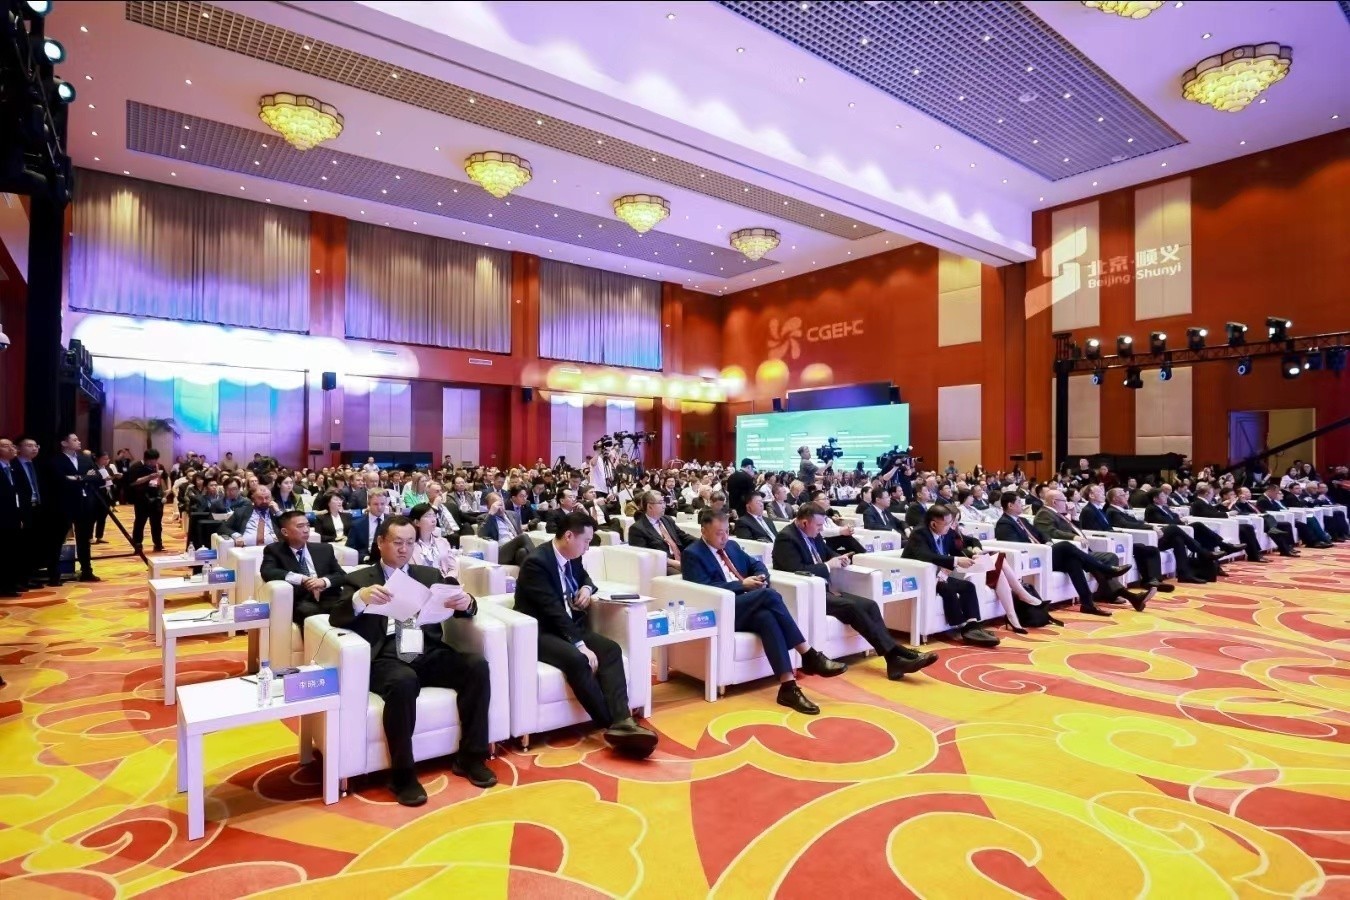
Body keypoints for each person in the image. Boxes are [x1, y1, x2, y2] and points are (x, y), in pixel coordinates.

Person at [333, 515, 496, 805]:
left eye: (410, 543)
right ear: (380, 542)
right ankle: (402, 775)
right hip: (385, 655)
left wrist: (467, 602)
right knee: (403, 681)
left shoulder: (428, 575)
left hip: (426, 649)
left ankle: (471, 757)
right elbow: (336, 616)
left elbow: (460, 607)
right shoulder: (360, 579)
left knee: (476, 666)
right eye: (397, 542)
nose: (404, 549)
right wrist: (360, 598)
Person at [512, 511, 658, 756]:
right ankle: (611, 725)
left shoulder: (572, 557)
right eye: (586, 541)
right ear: (569, 536)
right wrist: (580, 644)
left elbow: (585, 577)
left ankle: (623, 719)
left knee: (611, 650)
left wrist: (587, 588)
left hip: (569, 625)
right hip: (540, 631)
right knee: (578, 660)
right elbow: (552, 610)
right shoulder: (536, 563)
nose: (588, 548)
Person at [682, 509, 846, 714]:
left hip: (748, 605)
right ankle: (809, 654)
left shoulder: (731, 546)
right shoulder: (693, 554)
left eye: (726, 531)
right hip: (722, 610)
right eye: (718, 533)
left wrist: (760, 576)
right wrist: (742, 584)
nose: (724, 537)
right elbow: (702, 589)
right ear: (704, 531)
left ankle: (788, 687)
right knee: (769, 595)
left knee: (767, 618)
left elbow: (757, 564)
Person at [772, 505, 937, 679]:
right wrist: (828, 566)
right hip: (807, 594)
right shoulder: (786, 538)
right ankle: (897, 653)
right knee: (851, 607)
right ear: (805, 523)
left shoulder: (813, 534)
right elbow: (795, 570)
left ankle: (894, 659)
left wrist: (839, 558)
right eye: (819, 525)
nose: (821, 529)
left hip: (826, 589)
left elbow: (828, 553)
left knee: (870, 605)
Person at [994, 492, 1131, 616]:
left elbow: (1041, 534)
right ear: (1010, 505)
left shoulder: (1021, 520)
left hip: (1044, 553)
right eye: (1019, 502)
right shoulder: (1004, 524)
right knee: (1065, 545)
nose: (1022, 505)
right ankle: (1106, 569)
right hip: (1031, 558)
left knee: (1073, 561)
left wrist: (1047, 542)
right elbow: (1016, 545)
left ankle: (1087, 604)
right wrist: (1042, 547)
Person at [1034, 490, 1151, 610]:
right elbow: (1050, 532)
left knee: (1106, 559)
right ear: (1054, 502)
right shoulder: (1045, 514)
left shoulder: (1058, 514)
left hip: (1078, 550)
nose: (1067, 503)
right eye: (1064, 501)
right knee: (1101, 561)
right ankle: (1116, 589)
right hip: (1066, 552)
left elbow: (1077, 529)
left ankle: (1113, 593)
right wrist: (1073, 537)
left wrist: (1073, 516)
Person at [902, 506, 1001, 646]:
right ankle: (961, 626)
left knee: (968, 586)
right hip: (921, 577)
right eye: (948, 523)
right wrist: (956, 561)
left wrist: (971, 556)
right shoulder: (919, 534)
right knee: (948, 589)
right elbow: (926, 556)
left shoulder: (946, 532)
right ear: (933, 524)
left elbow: (956, 550)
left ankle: (972, 626)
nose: (951, 526)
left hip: (940, 574)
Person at [1079, 485, 1177, 592]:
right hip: (1104, 541)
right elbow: (1093, 531)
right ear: (1091, 495)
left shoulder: (1098, 509)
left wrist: (1117, 533)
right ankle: (1149, 581)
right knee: (1142, 548)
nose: (1103, 494)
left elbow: (1108, 527)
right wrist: (1115, 535)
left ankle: (1154, 580)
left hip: (1112, 537)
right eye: (1100, 492)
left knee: (1150, 549)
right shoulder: (1088, 510)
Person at [260, 510, 347, 626]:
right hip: (301, 600)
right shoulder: (274, 550)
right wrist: (301, 579)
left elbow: (342, 575)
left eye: (307, 525)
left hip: (328, 596)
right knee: (309, 612)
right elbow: (267, 571)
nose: (306, 530)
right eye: (300, 526)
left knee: (349, 607)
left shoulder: (324, 549)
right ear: (285, 532)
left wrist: (323, 581)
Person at [46, 433, 103, 583]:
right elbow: (59, 480)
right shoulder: (56, 460)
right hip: (63, 504)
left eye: (78, 439)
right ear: (64, 443)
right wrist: (85, 477)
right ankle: (54, 574)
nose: (79, 442)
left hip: (84, 503)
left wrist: (77, 478)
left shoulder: (85, 459)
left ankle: (86, 571)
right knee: (57, 540)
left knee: (84, 539)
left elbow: (98, 477)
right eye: (75, 440)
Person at [1189, 482, 1267, 562]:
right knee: (1244, 529)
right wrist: (1228, 513)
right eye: (1212, 493)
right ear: (1206, 494)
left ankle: (1256, 553)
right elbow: (1209, 514)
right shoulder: (1198, 503)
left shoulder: (1204, 502)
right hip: (1214, 525)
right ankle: (1253, 555)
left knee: (1248, 527)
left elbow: (1213, 511)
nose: (1213, 495)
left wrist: (1221, 506)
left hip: (1221, 523)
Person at [627, 491, 694, 574]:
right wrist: (673, 563)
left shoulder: (667, 520)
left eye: (664, 502)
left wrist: (703, 542)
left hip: (682, 558)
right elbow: (646, 556)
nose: (664, 506)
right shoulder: (637, 529)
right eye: (661, 503)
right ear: (650, 506)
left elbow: (683, 537)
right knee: (689, 576)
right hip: (663, 565)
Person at [125, 448, 167, 554]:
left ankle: (158, 543)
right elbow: (133, 482)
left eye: (156, 460)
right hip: (141, 499)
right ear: (147, 459)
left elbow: (165, 477)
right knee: (140, 522)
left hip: (156, 498)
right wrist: (149, 477)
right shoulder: (136, 467)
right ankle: (138, 544)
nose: (155, 462)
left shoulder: (158, 466)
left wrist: (167, 489)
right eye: (153, 460)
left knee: (157, 523)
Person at [476, 492, 532, 567]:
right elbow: (481, 534)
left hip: (515, 549)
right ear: (489, 507)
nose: (500, 508)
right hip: (500, 552)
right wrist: (491, 514)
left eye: (501, 504)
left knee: (522, 552)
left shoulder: (513, 515)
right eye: (496, 506)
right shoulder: (483, 518)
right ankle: (541, 562)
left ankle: (532, 573)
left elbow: (519, 533)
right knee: (523, 537)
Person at [0, 438, 23, 596]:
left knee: (12, 550)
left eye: (11, 446)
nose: (10, 449)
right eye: (5, 446)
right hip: (2, 515)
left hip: (14, 514)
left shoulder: (13, 467)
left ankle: (11, 583)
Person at [346, 491, 391, 564]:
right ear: (369, 504)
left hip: (389, 559)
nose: (379, 507)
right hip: (367, 560)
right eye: (376, 504)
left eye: (382, 504)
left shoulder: (392, 521)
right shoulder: (358, 524)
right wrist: (364, 557)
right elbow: (349, 549)